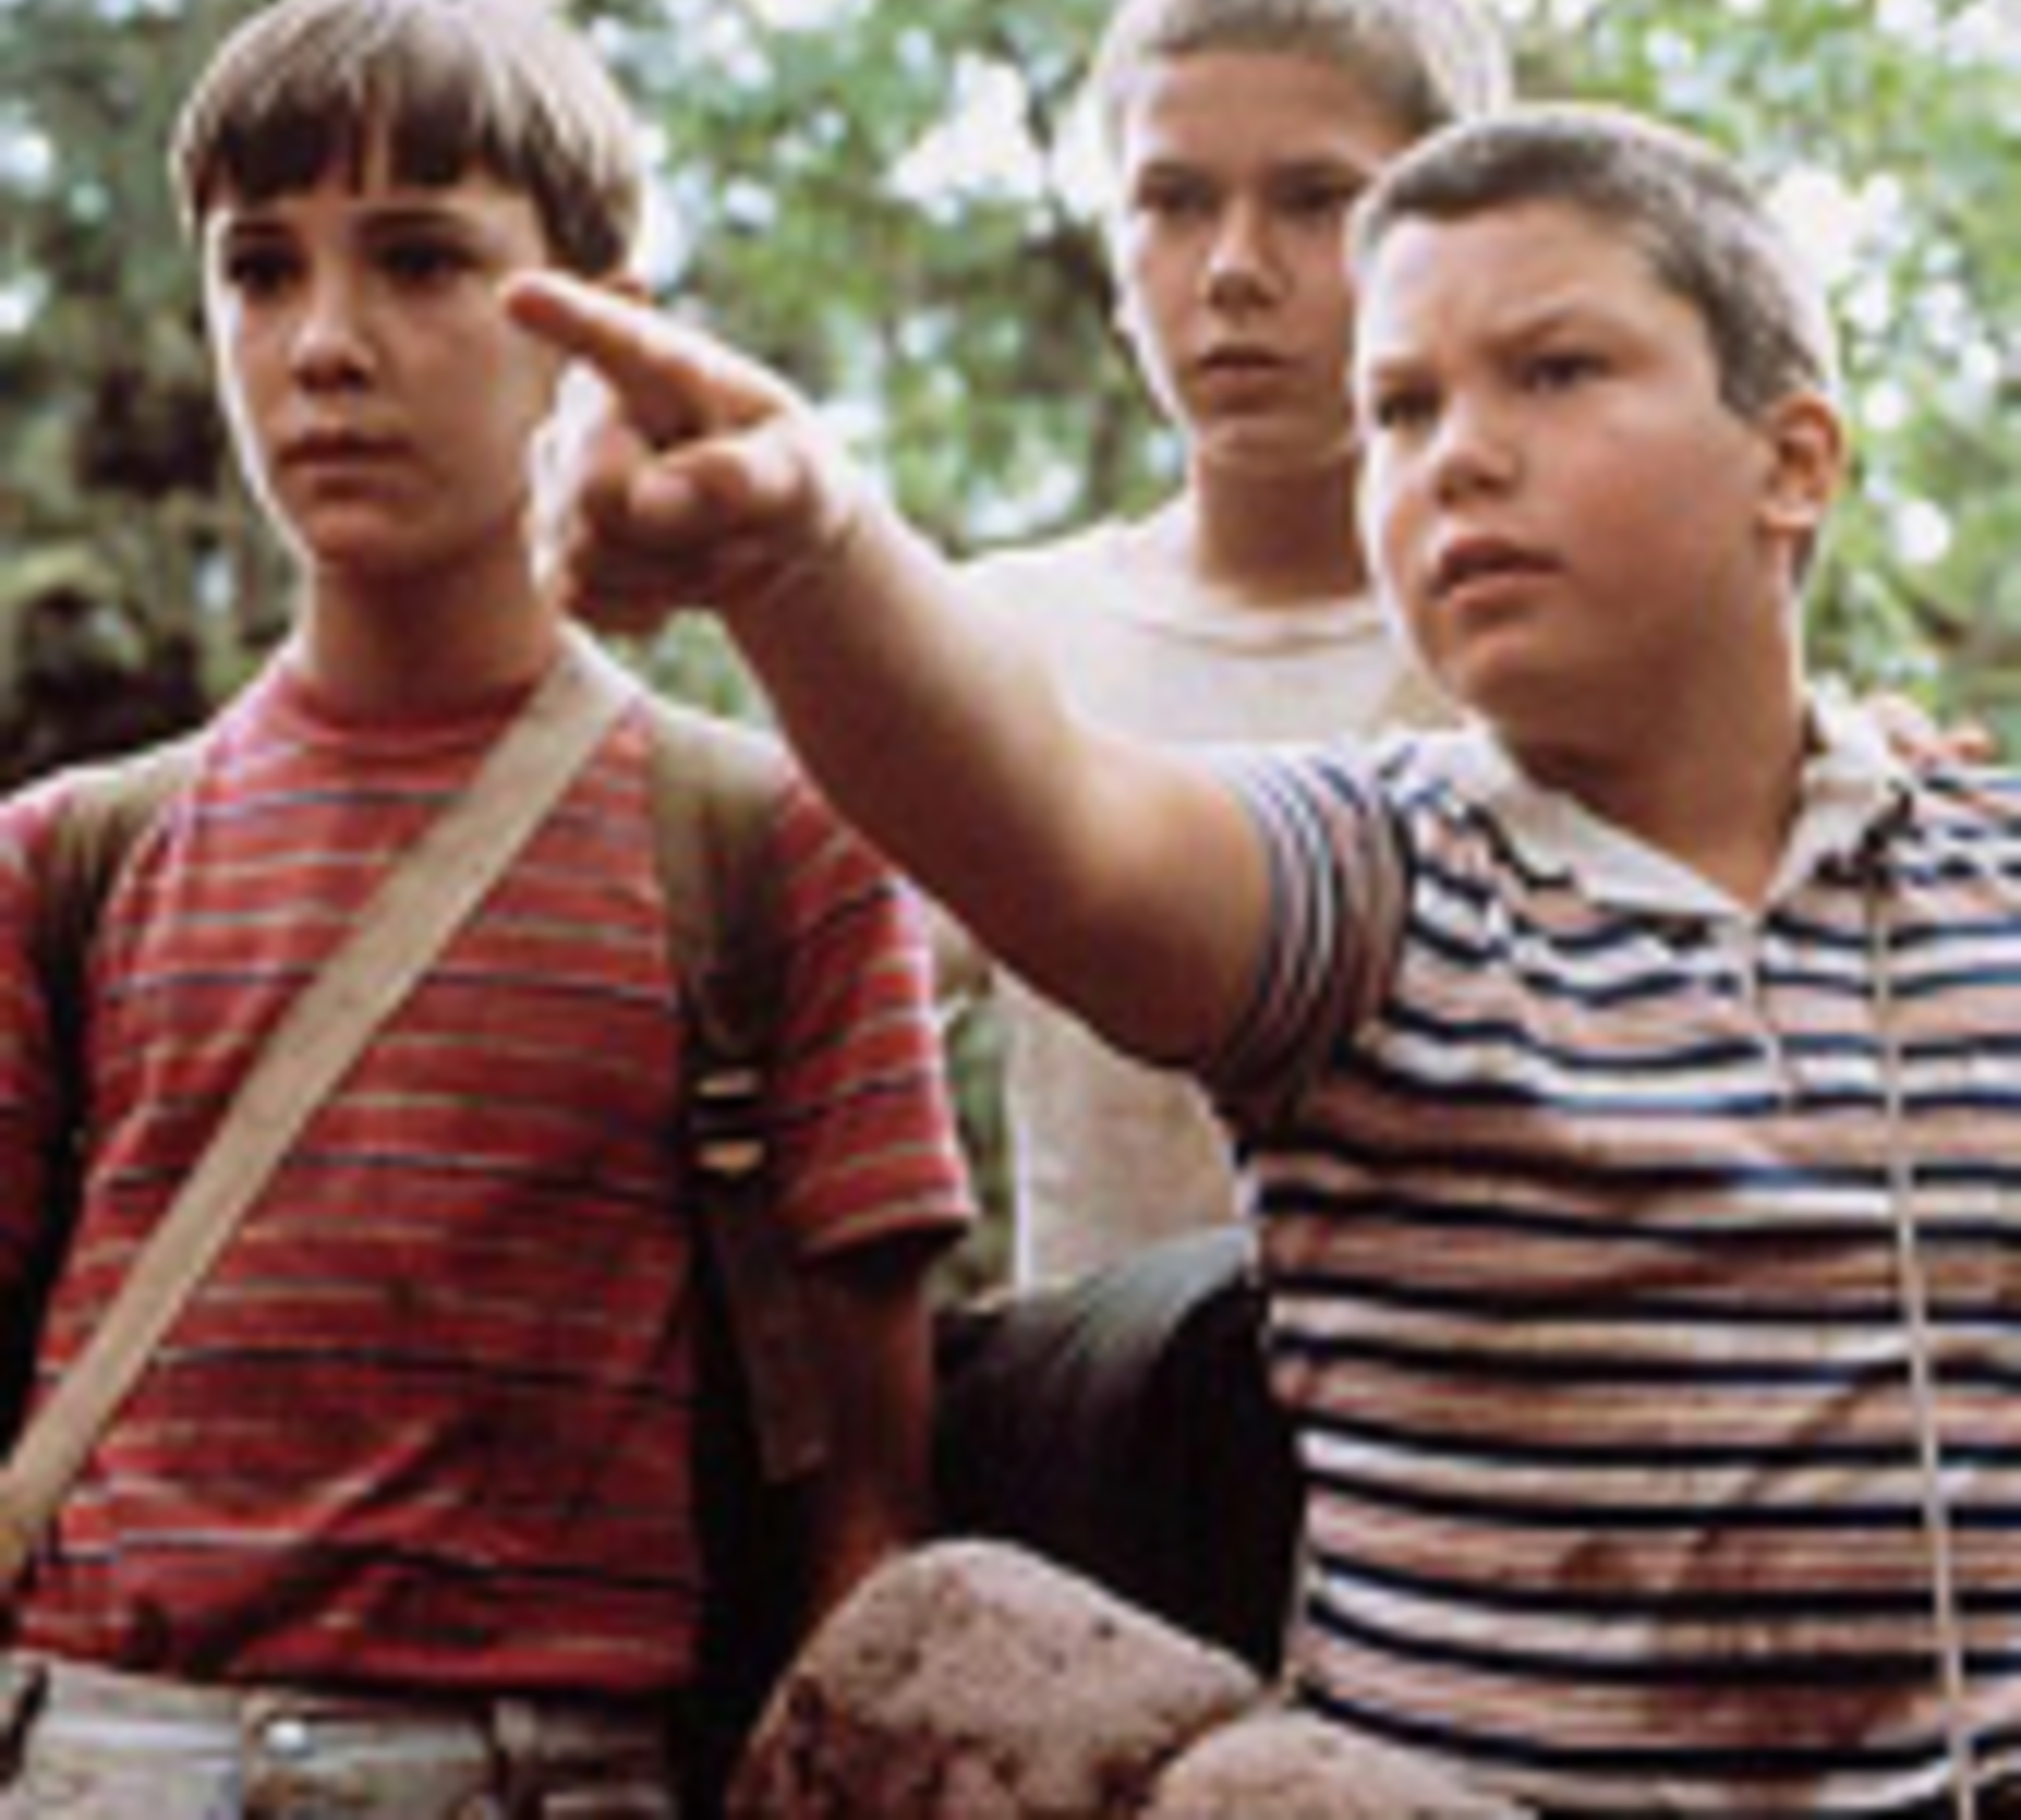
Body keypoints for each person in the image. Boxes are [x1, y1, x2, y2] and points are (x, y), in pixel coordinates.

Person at [511, 101, 2021, 1817]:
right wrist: (806, 554)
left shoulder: (1988, 883)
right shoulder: (1376, 879)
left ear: (1795, 461)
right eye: (1403, 409)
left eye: (1554, 372)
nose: (1460, 456)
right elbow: (1058, 824)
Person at [0, 0, 971, 1819]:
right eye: (259, 270)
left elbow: (873, 1503)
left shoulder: (768, 845)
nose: (324, 344)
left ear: (600, 327)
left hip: (537, 1770)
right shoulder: (69, 862)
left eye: (421, 261)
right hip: (90, 1752)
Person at [954, 0, 1506, 1292]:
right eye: (1176, 201)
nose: (1235, 270)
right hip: (1104, 1411)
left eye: (1316, 201)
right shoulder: (1005, 638)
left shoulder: (1546, 637)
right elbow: (814, 1022)